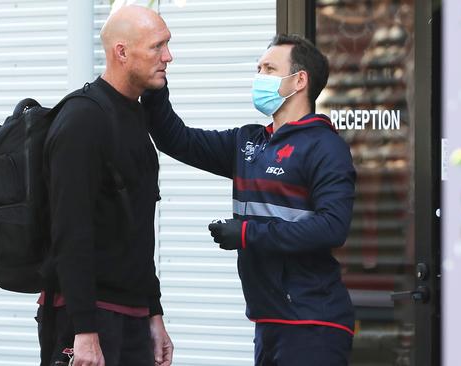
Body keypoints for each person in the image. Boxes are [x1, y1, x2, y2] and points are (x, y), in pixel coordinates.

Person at [142, 34, 356, 365]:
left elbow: (332, 227)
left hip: (313, 323)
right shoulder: (249, 143)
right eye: (258, 68)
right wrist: (154, 85)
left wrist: (246, 234)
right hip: (269, 320)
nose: (259, 77)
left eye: (269, 69)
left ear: (299, 81)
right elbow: (176, 139)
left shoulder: (325, 147)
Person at [40, 5, 174, 366]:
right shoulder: (83, 118)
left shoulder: (134, 115)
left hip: (131, 315)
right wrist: (83, 331)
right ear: (122, 52)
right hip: (87, 318)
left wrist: (153, 312)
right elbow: (70, 231)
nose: (168, 57)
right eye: (157, 47)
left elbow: (138, 231)